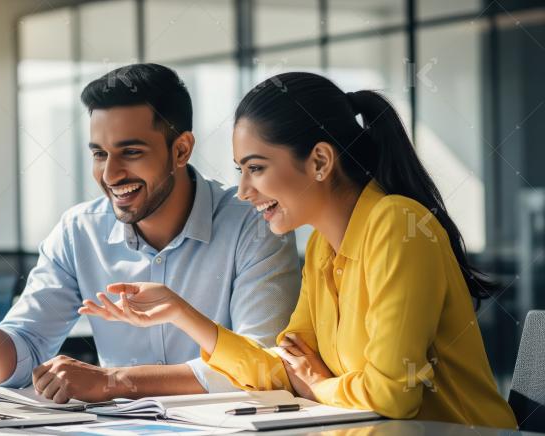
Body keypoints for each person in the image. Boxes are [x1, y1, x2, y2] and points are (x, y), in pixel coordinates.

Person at [79, 72, 517, 428]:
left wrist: (315, 385)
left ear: (321, 162)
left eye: (256, 168)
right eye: (239, 171)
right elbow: (281, 369)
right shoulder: (323, 248)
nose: (244, 191)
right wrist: (182, 313)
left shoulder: (397, 225)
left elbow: (391, 395)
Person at [0, 64, 301, 404]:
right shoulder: (78, 231)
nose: (110, 174)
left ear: (181, 149)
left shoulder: (254, 224)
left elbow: (265, 365)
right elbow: (23, 358)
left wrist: (115, 382)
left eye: (130, 152)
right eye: (99, 154)